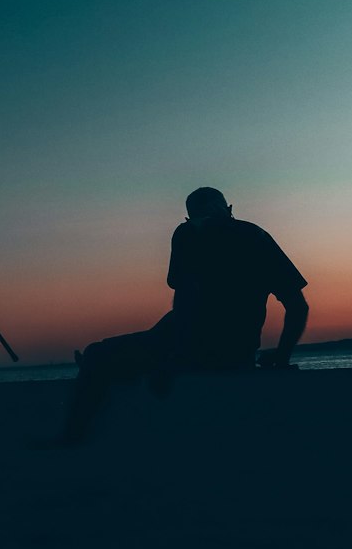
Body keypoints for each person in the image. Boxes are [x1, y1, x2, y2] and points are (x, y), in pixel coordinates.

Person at [60, 187, 309, 443]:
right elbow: (298, 306)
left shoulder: (189, 234)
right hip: (230, 351)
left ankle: (71, 437)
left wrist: (173, 356)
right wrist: (282, 355)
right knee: (106, 356)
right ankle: (116, 366)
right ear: (230, 210)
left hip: (191, 348)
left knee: (97, 354)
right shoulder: (255, 237)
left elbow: (183, 298)